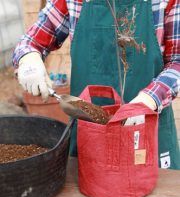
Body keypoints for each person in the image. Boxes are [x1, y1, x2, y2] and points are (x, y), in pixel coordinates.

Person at [13, 0, 180, 169]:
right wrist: (28, 58)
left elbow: (177, 60)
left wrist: (150, 99)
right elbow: (30, 40)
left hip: (148, 132)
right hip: (89, 134)